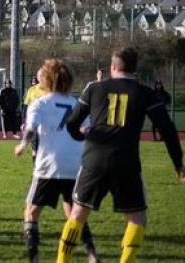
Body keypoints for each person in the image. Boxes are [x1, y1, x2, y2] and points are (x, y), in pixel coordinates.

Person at [57, 48, 185, 263]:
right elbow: (167, 129)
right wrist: (178, 164)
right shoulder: (145, 93)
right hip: (126, 162)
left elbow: (71, 123)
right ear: (134, 69)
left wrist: (82, 135)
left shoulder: (94, 88)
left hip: (94, 160)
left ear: (113, 66)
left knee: (77, 214)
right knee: (137, 218)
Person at [14, 59, 99, 263]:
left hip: (49, 166)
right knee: (74, 212)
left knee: (31, 212)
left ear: (46, 79)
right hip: (75, 165)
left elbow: (31, 129)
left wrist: (22, 145)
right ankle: (91, 254)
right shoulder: (77, 103)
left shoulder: (40, 103)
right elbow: (87, 130)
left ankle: (34, 258)